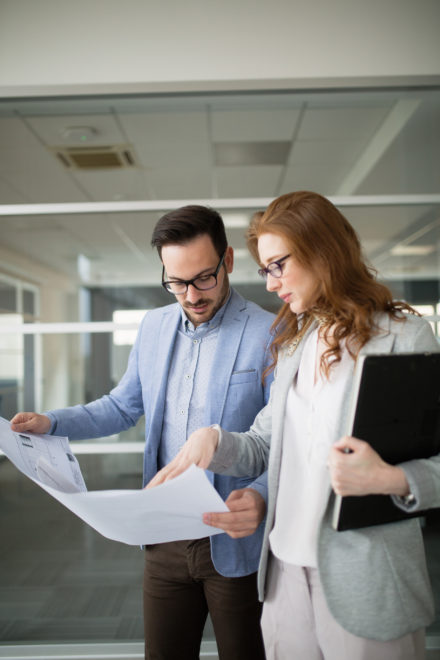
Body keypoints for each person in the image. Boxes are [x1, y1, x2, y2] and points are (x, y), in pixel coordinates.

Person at [148, 191, 440, 660]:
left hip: (365, 578)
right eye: (265, 270)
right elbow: (267, 442)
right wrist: (215, 441)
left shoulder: (402, 337)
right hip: (284, 571)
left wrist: (392, 479)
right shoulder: (295, 342)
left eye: (278, 265)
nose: (269, 283)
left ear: (323, 251)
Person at [10, 205, 275, 660]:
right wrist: (52, 422)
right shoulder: (153, 328)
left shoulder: (270, 332)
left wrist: (262, 493)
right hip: (164, 535)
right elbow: (121, 406)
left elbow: (283, 439)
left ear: (228, 261)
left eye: (203, 278)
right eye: (176, 282)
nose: (190, 295)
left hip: (234, 539)